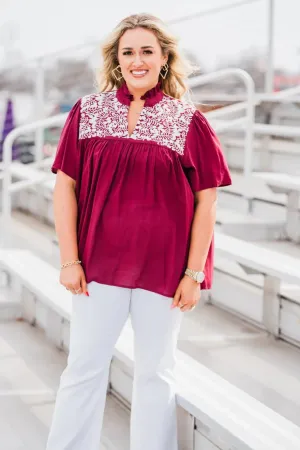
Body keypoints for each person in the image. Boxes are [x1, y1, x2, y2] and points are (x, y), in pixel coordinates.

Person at [46, 13, 232, 450]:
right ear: (116, 60)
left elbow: (208, 200)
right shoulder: (87, 112)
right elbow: (64, 188)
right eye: (128, 52)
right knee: (83, 369)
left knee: (155, 374)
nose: (138, 60)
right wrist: (69, 260)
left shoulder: (189, 121)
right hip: (96, 268)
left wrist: (193, 272)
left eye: (147, 51)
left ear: (164, 58)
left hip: (164, 272)